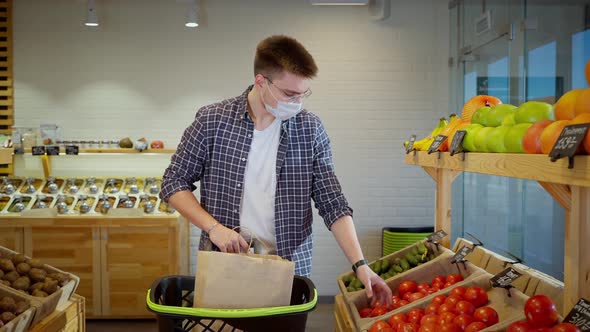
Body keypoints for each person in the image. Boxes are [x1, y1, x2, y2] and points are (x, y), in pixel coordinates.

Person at [160, 35, 391, 305]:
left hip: (290, 269)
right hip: (226, 263)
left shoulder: (310, 129)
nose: (297, 102)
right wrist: (214, 228)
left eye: (303, 93)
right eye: (289, 94)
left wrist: (360, 264)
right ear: (261, 81)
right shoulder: (213, 120)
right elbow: (173, 182)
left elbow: (333, 204)